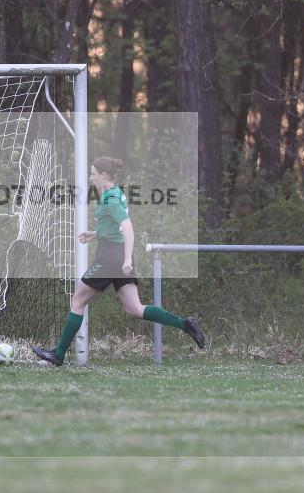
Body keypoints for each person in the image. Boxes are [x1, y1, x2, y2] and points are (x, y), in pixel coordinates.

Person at [32, 157, 205, 366]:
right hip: (117, 254)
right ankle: (185, 324)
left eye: (93, 173)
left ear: (104, 175)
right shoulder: (114, 194)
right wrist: (95, 234)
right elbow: (114, 226)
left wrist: (126, 259)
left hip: (110, 257)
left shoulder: (109, 199)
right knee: (134, 308)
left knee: (78, 301)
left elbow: (127, 227)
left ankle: (58, 354)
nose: (90, 177)